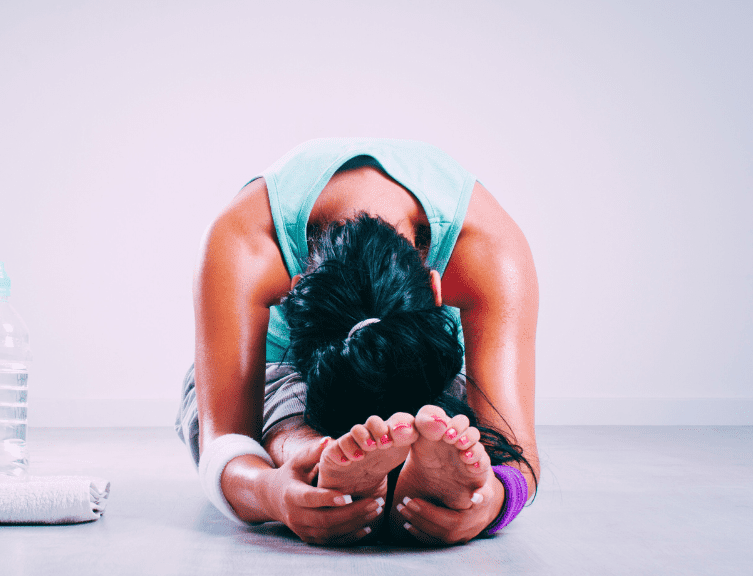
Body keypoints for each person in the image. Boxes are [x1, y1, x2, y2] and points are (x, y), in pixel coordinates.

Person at [176, 138, 540, 545]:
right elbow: (224, 436)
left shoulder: (489, 252)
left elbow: (514, 437)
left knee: (451, 407)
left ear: (435, 291)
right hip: (287, 368)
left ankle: (339, 457)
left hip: (412, 360)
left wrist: (492, 501)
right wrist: (271, 492)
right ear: (298, 296)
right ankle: (310, 451)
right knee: (279, 391)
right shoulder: (244, 242)